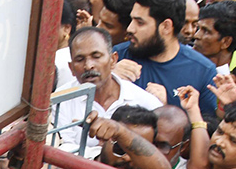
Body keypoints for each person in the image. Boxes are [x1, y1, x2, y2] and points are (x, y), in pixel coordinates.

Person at [55, 26, 163, 159]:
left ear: (113, 60)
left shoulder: (145, 101)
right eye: (80, 59)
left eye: (96, 57)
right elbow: (63, 149)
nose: (89, 65)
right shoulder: (60, 100)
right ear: (71, 68)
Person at [115, 0, 218, 112]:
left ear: (166, 27)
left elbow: (204, 130)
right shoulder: (117, 57)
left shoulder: (202, 71)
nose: (130, 28)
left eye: (140, 23)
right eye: (131, 20)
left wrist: (165, 111)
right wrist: (108, 79)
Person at [194, 0, 236, 70]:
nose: (196, 35)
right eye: (198, 28)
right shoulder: (184, 60)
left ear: (226, 42)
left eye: (206, 31)